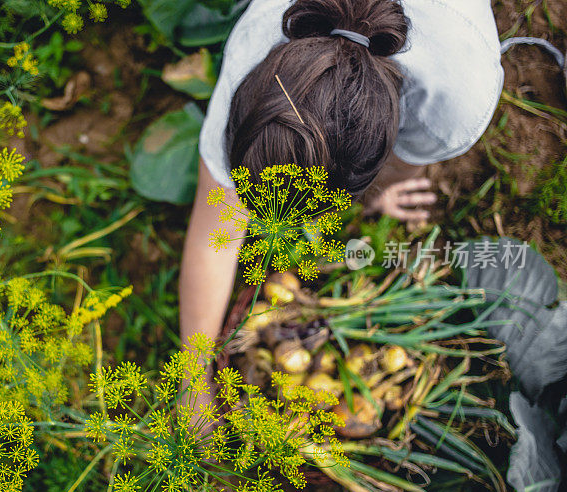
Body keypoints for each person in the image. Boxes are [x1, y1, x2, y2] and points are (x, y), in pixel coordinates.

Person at [178, 0, 504, 410]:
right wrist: (194, 385)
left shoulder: (457, 99)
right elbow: (216, 232)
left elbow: (407, 160)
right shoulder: (255, 44)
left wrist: (384, 191)